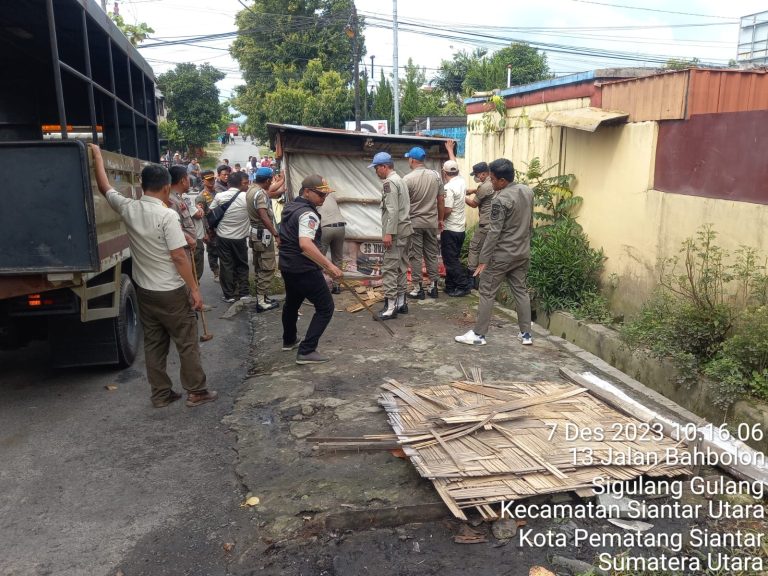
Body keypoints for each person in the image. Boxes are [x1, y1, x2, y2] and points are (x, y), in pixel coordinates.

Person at [89, 144, 217, 408]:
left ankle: (161, 394)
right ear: (167, 187)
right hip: (170, 290)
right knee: (186, 341)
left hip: (144, 290)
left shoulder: (129, 207)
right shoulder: (167, 215)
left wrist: (98, 157)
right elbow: (179, 257)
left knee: (155, 343)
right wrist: (194, 289)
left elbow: (105, 188)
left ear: (140, 184)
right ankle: (196, 391)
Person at [455, 158, 534, 347]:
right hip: (522, 253)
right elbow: (529, 223)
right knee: (521, 292)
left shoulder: (501, 199)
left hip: (501, 255)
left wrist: (483, 259)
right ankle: (526, 335)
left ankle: (479, 334)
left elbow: (494, 232)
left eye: (492, 179)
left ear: (502, 181)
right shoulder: (527, 191)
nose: (490, 183)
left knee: (487, 292)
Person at [279, 175, 342, 365]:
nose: (323, 198)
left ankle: (289, 340)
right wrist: (329, 266)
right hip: (304, 267)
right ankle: (307, 350)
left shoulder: (290, 207)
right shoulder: (308, 214)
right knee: (325, 307)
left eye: (325, 194)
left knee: (292, 302)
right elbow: (306, 244)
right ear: (306, 192)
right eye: (320, 194)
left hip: (287, 265)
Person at [369, 151, 413, 319]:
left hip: (395, 232)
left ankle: (390, 307)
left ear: (384, 167)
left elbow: (393, 210)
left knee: (389, 268)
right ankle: (402, 303)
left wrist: (388, 233)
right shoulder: (400, 180)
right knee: (401, 267)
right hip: (404, 230)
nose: (375, 171)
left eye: (376, 168)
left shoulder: (389, 183)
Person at [403, 146, 444, 300]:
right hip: (431, 222)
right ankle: (433, 287)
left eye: (409, 158)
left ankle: (417, 288)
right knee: (432, 255)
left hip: (415, 223)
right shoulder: (436, 176)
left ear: (412, 159)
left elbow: (403, 204)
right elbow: (441, 199)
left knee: (415, 256)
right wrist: (440, 219)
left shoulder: (407, 179)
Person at [246, 167, 285, 312]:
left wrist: (282, 180)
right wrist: (276, 234)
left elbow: (272, 191)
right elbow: (263, 215)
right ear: (268, 180)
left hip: (255, 234)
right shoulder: (260, 193)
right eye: (271, 180)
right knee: (267, 268)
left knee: (259, 266)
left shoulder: (251, 189)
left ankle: (263, 297)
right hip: (263, 235)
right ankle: (261, 302)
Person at [210, 170, 251, 303]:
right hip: (239, 238)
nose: (247, 185)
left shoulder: (219, 196)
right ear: (240, 183)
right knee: (242, 264)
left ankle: (229, 295)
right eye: (245, 182)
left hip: (223, 237)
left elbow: (211, 213)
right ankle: (244, 293)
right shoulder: (246, 197)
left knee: (226, 265)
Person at [441, 155, 472, 297]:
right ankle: (450, 285)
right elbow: (455, 169)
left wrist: (440, 220)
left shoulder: (448, 187)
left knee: (450, 260)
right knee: (453, 257)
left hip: (450, 229)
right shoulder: (461, 182)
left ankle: (463, 285)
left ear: (444, 172)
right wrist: (449, 151)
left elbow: (448, 209)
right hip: (460, 230)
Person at [465, 160, 496, 288]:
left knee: (474, 247)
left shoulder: (484, 187)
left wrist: (460, 196)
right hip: (495, 224)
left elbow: (473, 204)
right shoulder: (493, 183)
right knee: (489, 251)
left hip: (485, 225)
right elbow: (481, 191)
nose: (476, 177)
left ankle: (472, 278)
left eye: (477, 175)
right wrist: (472, 191)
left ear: (483, 174)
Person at [168, 166, 201, 282]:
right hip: (181, 251)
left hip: (187, 250)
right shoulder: (171, 201)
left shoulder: (178, 198)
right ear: (183, 180)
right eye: (187, 178)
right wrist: (189, 239)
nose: (189, 181)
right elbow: (172, 228)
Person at [317, 186, 346, 294]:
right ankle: (337, 286)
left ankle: (319, 286)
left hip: (326, 227)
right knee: (337, 258)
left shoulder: (315, 197)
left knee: (319, 258)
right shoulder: (331, 194)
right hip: (340, 226)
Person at [196, 170, 220, 282]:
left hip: (221, 227)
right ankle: (216, 272)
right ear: (203, 181)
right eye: (208, 180)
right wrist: (205, 232)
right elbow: (201, 216)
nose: (211, 182)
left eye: (213, 179)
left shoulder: (218, 192)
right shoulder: (201, 197)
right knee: (213, 251)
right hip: (210, 229)